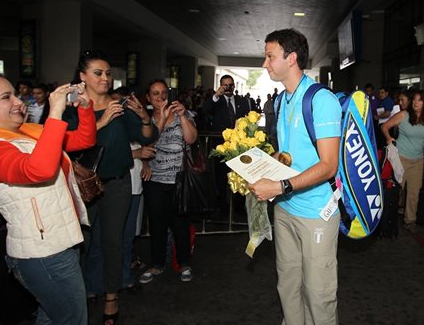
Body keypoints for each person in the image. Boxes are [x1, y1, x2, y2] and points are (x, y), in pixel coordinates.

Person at [250, 28, 342, 325]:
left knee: (318, 292)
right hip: (285, 208)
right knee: (287, 284)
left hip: (316, 211)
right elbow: (288, 155)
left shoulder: (321, 100)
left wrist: (279, 185)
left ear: (291, 58)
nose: (265, 64)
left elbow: (329, 165)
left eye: (270, 56)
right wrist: (258, 169)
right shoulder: (281, 101)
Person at [0, 71, 96, 324]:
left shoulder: (27, 131)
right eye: (7, 97)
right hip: (42, 254)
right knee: (72, 319)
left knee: (51, 318)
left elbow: (83, 139)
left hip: (59, 243)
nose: (18, 102)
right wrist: (55, 113)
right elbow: (39, 170)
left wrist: (85, 107)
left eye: (15, 94)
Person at [63, 50, 158, 325]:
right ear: (82, 77)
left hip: (117, 184)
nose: (105, 78)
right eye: (98, 73)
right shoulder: (73, 111)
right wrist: (100, 121)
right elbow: (69, 144)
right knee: (82, 242)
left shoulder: (120, 108)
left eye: (107, 73)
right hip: (84, 184)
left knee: (113, 242)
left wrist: (143, 117)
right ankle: (78, 294)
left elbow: (146, 136)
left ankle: (111, 297)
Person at [139, 79, 198, 284]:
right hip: (155, 179)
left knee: (180, 223)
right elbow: (148, 145)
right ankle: (157, 264)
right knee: (157, 224)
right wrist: (162, 120)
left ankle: (184, 263)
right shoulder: (145, 120)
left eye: (164, 93)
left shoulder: (185, 114)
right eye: (155, 94)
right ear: (148, 97)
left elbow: (191, 139)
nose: (160, 97)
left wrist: (182, 116)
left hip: (179, 180)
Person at [381, 89, 424, 232]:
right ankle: (388, 219)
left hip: (418, 160)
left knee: (414, 192)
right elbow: (385, 126)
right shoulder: (403, 115)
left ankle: (410, 220)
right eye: (414, 100)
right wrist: (389, 138)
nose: (415, 102)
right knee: (397, 191)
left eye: (419, 100)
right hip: (401, 158)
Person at [203, 75, 249, 213]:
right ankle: (222, 205)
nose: (228, 88)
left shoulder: (242, 101)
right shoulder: (216, 101)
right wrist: (216, 95)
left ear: (234, 86)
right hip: (221, 145)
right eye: (225, 85)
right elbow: (205, 110)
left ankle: (238, 206)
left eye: (231, 85)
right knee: (221, 176)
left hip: (239, 146)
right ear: (221, 86)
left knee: (239, 175)